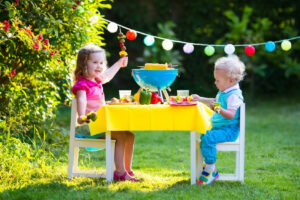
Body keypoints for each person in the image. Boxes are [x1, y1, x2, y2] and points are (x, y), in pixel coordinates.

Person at [72, 44, 138, 182]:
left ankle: (126, 169)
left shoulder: (96, 81)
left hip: (100, 127)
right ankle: (119, 172)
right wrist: (81, 116)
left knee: (129, 135)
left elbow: (107, 75)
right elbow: (82, 99)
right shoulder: (82, 85)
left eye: (101, 63)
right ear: (84, 64)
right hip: (88, 129)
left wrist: (119, 63)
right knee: (120, 136)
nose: (99, 66)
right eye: (95, 62)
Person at [191, 55, 245, 185]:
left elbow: (231, 115)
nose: (215, 82)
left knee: (208, 137)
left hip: (229, 131)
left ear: (231, 80)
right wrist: (200, 99)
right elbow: (215, 101)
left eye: (217, 80)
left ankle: (210, 169)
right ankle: (208, 164)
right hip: (220, 128)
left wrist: (218, 110)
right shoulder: (225, 91)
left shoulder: (234, 96)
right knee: (204, 133)